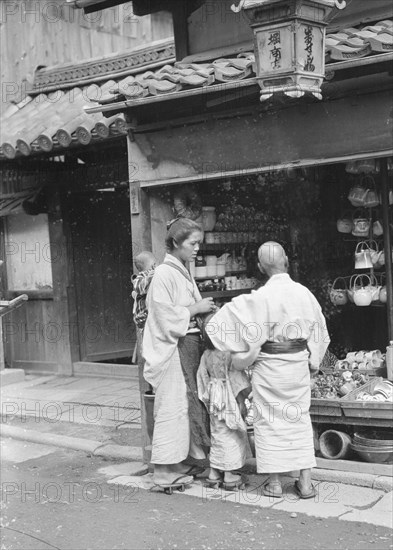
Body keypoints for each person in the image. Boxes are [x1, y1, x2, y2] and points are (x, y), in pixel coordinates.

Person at [207, 241, 330, 499]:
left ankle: (274, 483)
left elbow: (217, 325)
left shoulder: (258, 297)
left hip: (268, 366)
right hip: (296, 364)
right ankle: (305, 483)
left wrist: (248, 349)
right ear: (285, 259)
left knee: (269, 421)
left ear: (261, 267)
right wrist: (313, 364)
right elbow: (319, 332)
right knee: (299, 419)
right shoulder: (304, 294)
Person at [142, 217, 216, 489]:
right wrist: (195, 309)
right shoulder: (164, 273)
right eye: (193, 243)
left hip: (184, 345)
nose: (197, 248)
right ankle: (162, 470)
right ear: (175, 243)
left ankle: (177, 461)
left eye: (199, 243)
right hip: (171, 349)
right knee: (171, 408)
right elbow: (162, 314)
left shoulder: (180, 270)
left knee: (183, 407)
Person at [197, 314, 252, 490]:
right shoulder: (228, 355)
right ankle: (229, 474)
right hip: (229, 397)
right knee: (232, 433)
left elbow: (202, 377)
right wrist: (243, 398)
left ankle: (214, 472)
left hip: (214, 397)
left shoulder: (206, 354)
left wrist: (208, 396)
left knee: (217, 433)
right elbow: (237, 379)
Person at [132, 251, 157, 334]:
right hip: (143, 315)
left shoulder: (155, 275)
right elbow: (138, 288)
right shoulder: (140, 278)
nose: (155, 267)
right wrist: (147, 279)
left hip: (152, 313)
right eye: (153, 265)